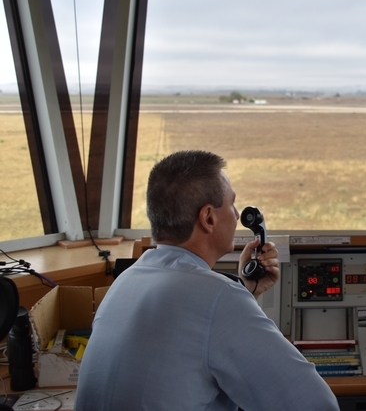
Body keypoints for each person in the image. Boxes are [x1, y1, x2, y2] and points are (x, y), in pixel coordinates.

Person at [75, 150, 339, 411]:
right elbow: (315, 403)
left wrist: (246, 292)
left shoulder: (125, 282)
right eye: (232, 204)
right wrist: (234, 299)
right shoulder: (219, 298)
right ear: (208, 217)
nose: (237, 216)